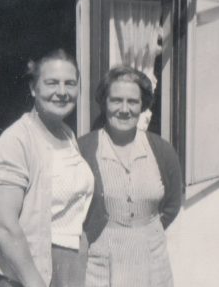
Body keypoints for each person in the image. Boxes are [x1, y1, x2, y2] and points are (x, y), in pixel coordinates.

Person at [0, 49, 94, 287]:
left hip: (70, 265)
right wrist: (33, 282)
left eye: (70, 83)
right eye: (52, 83)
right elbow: (4, 225)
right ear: (33, 89)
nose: (62, 92)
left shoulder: (66, 133)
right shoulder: (15, 142)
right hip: (29, 272)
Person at [78, 66, 183, 287]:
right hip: (101, 262)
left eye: (132, 102)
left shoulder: (161, 150)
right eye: (116, 100)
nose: (124, 109)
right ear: (104, 102)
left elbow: (173, 203)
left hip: (152, 260)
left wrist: (146, 231)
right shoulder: (84, 149)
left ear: (142, 105)